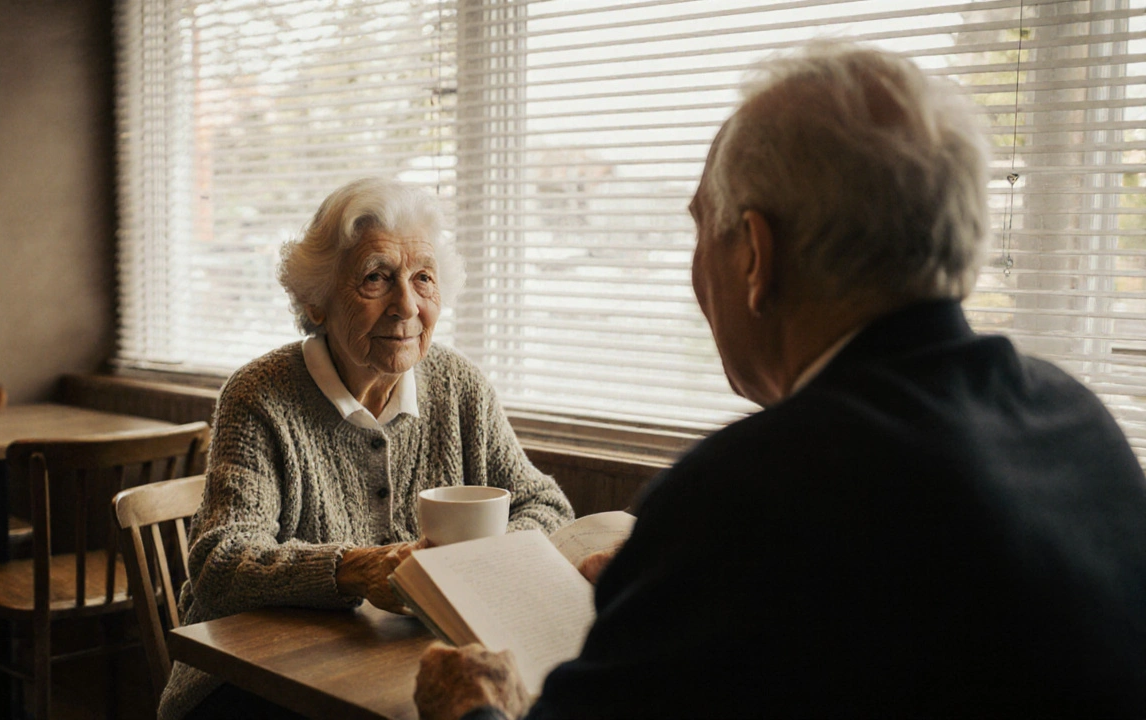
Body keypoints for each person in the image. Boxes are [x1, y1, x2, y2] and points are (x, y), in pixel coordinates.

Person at [414, 43, 1146, 719]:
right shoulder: (1078, 422)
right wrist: (671, 603)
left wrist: (472, 707)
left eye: (704, 227)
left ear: (756, 255)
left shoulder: (752, 496)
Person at [158, 177, 575, 720]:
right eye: (376, 278)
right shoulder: (260, 396)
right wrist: (356, 568)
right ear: (318, 300)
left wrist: (476, 563)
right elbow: (221, 560)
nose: (406, 306)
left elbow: (547, 506)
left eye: (423, 278)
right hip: (251, 685)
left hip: (394, 670)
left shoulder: (458, 385)